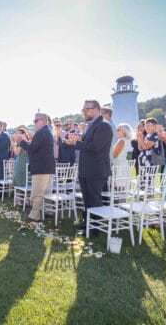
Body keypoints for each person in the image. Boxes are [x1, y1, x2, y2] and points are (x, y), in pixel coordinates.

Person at [65, 100, 113, 235]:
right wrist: (75, 142)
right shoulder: (90, 125)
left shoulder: (103, 126)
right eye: (83, 110)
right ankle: (87, 223)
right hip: (86, 169)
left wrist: (77, 142)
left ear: (97, 109)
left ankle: (94, 229)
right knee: (87, 199)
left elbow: (96, 147)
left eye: (87, 109)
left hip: (96, 170)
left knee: (94, 199)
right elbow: (86, 145)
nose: (84, 112)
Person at [12, 113, 56, 222]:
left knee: (37, 192)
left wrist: (21, 141)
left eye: (36, 121)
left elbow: (32, 148)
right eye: (34, 120)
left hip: (41, 167)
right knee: (46, 192)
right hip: (48, 166)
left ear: (44, 121)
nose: (34, 122)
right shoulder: (48, 131)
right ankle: (48, 211)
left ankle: (34, 215)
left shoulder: (41, 132)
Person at [112, 123, 133, 190]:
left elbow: (114, 154)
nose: (117, 131)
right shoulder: (125, 140)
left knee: (120, 185)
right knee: (122, 185)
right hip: (122, 163)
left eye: (118, 129)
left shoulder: (121, 141)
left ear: (124, 131)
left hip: (120, 164)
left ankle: (120, 199)